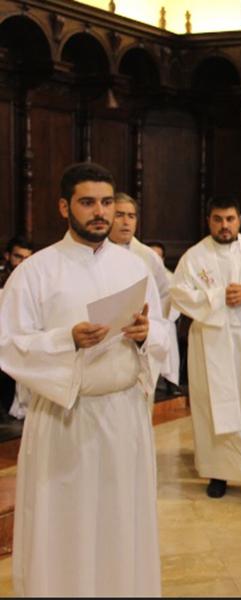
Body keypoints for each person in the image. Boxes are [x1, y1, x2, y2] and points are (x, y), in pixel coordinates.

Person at [0, 162, 168, 596]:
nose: (100, 212)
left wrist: (148, 335)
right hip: (65, 418)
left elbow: (163, 330)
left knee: (120, 516)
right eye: (88, 202)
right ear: (64, 206)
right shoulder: (35, 272)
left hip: (124, 414)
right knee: (66, 520)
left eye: (107, 202)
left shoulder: (136, 268)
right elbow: (9, 345)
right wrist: (65, 340)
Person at [171, 196, 241, 506]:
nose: (225, 225)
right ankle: (217, 473)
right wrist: (218, 296)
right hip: (212, 341)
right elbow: (179, 294)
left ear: (240, 220)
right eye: (218, 219)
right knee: (214, 406)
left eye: (230, 219)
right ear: (209, 221)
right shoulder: (194, 257)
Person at [109, 193, 181, 393]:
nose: (126, 222)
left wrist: (154, 327)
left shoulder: (148, 257)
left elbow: (165, 295)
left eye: (131, 216)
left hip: (139, 336)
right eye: (119, 215)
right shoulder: (95, 252)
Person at [0, 235, 34, 419]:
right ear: (7, 256)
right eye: (18, 257)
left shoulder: (36, 282)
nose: (23, 263)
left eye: (28, 259)